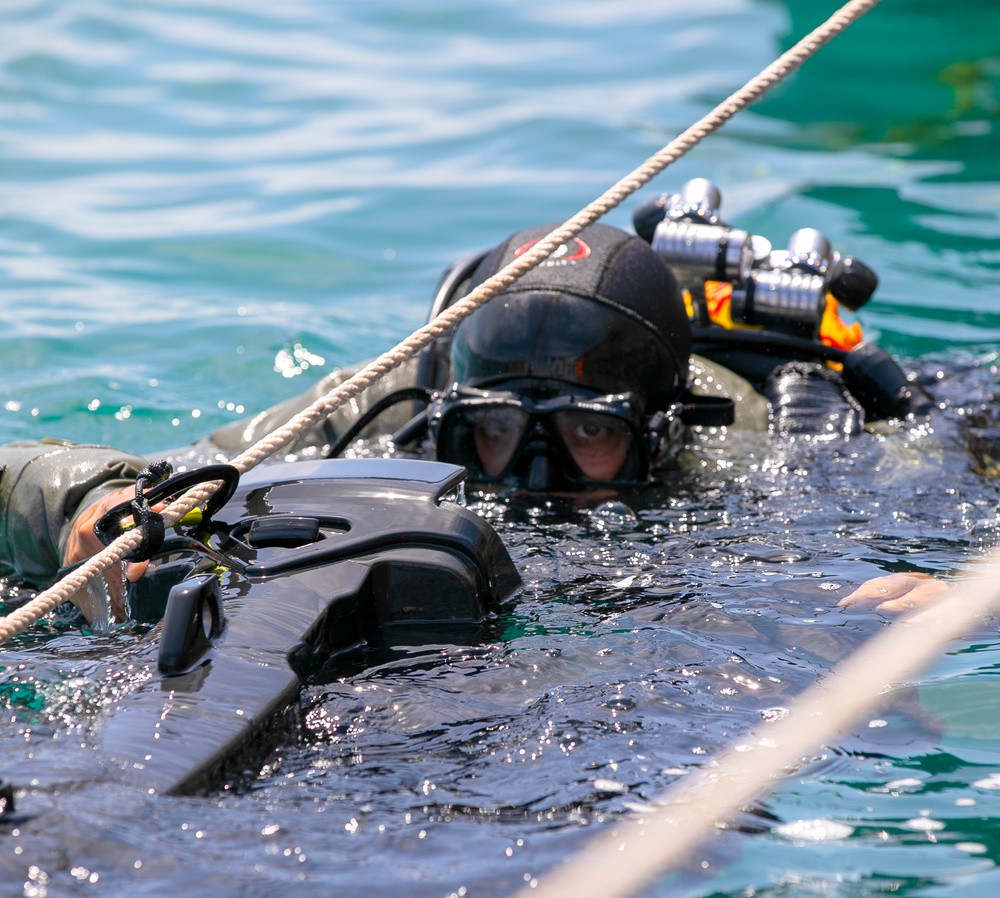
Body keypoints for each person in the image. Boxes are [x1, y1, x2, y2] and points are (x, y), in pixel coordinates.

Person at [0, 212, 945, 622]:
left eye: (586, 433)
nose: (527, 479)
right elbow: (79, 475)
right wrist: (103, 504)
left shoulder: (746, 455)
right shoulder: (397, 407)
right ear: (449, 413)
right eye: (492, 432)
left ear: (660, 433)